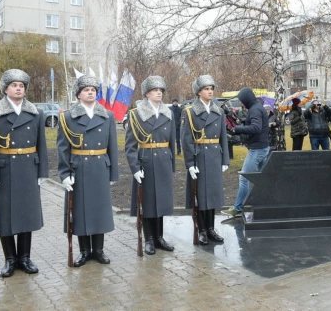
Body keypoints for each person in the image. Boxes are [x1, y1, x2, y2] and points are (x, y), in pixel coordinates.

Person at [0, 69, 48, 277]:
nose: (19, 88)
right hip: (5, 169)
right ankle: (10, 259)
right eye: (14, 85)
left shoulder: (35, 113)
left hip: (28, 167)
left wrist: (42, 171)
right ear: (5, 89)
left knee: (27, 214)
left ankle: (24, 258)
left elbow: (41, 145)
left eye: (21, 86)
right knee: (6, 216)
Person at [57, 75, 118, 266]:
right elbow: (63, 148)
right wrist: (65, 174)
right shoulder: (68, 116)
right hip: (79, 167)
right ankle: (84, 251)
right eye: (86, 90)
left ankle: (98, 250)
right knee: (80, 211)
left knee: (99, 209)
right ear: (79, 94)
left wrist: (113, 173)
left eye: (93, 90)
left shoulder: (107, 116)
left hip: (100, 166)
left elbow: (112, 146)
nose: (90, 92)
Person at [126, 76, 176, 255]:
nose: (159, 93)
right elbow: (130, 146)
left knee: (161, 202)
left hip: (163, 160)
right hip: (146, 161)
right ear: (147, 93)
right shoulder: (136, 114)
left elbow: (172, 142)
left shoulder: (168, 113)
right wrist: (135, 167)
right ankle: (149, 239)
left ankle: (159, 237)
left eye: (161, 90)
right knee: (147, 202)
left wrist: (172, 165)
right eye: (155, 90)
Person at [181, 75, 228, 244]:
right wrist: (190, 164)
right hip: (199, 155)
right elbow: (186, 140)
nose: (210, 92)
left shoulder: (218, 111)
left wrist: (225, 160)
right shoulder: (190, 111)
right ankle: (201, 229)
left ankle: (210, 228)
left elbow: (223, 136)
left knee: (213, 196)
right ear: (199, 92)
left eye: (211, 89)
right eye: (206, 89)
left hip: (214, 155)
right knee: (200, 196)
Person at [221, 87, 269, 218]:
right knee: (262, 179)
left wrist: (237, 129)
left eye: (242, 101)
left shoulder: (255, 110)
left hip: (257, 150)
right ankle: (267, 205)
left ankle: (237, 208)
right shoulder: (256, 107)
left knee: (244, 178)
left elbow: (256, 127)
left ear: (246, 99)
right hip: (262, 147)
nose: (241, 103)